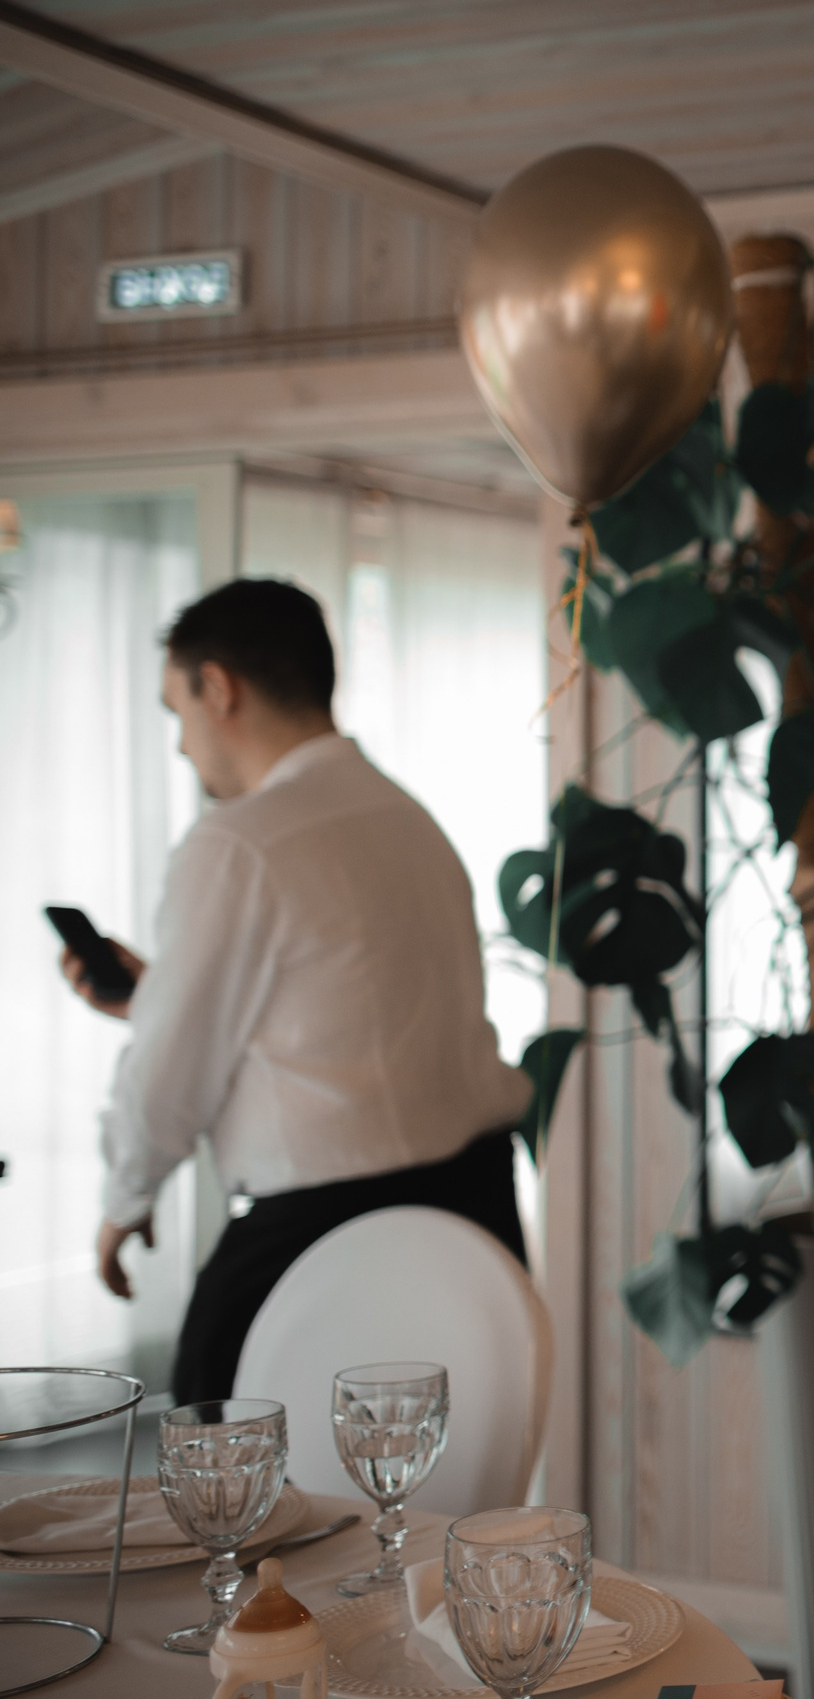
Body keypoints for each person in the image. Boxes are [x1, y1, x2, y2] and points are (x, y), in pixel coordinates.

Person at [60, 577, 532, 1405]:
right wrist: (158, 996)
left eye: (177, 712)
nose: (180, 746)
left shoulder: (237, 845)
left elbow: (170, 1076)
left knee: (232, 1510)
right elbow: (359, 1013)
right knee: (439, 1506)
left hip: (321, 1249)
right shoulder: (412, 820)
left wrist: (124, 1195)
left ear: (218, 686)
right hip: (472, 1226)